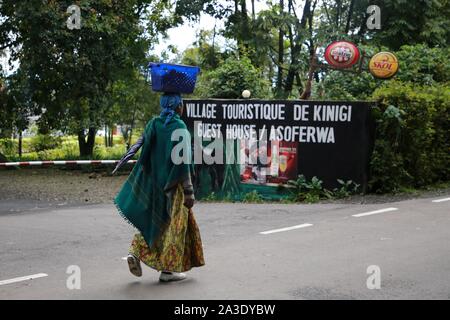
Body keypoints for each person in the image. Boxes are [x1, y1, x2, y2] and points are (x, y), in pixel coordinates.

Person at [113, 93, 205, 282]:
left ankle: (136, 252)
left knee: (154, 221)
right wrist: (189, 192)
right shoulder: (180, 129)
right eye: (182, 104)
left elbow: (144, 149)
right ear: (178, 107)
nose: (183, 108)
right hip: (174, 186)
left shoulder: (153, 124)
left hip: (154, 183)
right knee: (174, 226)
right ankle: (168, 272)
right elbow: (183, 163)